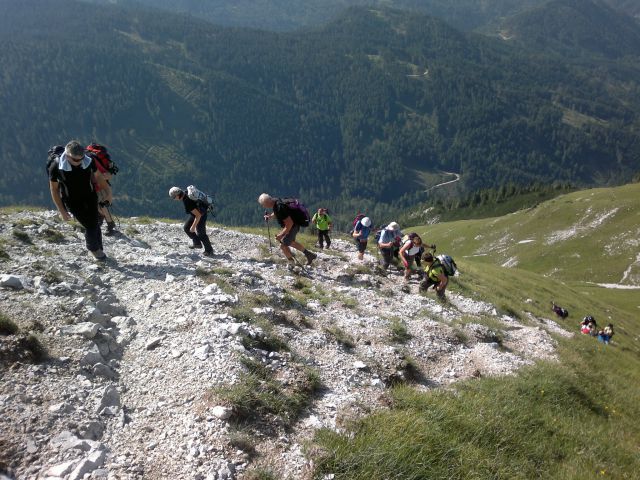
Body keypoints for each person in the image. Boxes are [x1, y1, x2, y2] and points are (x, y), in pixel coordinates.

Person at [49, 140, 112, 260]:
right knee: (90, 225)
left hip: (90, 196)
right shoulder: (56, 166)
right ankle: (94, 250)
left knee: (96, 222)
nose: (79, 162)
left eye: (81, 158)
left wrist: (109, 193)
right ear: (67, 155)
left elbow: (98, 177)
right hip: (72, 201)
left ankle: (98, 248)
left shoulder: (88, 161)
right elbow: (54, 190)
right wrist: (62, 211)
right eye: (75, 160)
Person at [258, 193, 316, 270]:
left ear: (268, 202)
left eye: (263, 204)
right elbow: (277, 213)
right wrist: (270, 216)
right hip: (294, 224)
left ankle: (292, 264)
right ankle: (309, 255)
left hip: (293, 226)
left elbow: (289, 223)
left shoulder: (279, 207)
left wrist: (281, 235)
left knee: (283, 245)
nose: (263, 206)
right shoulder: (276, 202)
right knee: (290, 242)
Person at [169, 186, 213, 257]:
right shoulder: (185, 193)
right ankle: (197, 243)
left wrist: (193, 227)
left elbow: (198, 216)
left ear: (177, 195)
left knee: (201, 234)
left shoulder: (187, 201)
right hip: (196, 213)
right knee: (186, 228)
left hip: (201, 214)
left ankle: (209, 250)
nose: (174, 199)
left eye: (173, 197)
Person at [92, 152, 117, 236]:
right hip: (94, 186)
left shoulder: (90, 161)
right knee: (98, 205)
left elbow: (104, 175)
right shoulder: (86, 160)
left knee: (102, 205)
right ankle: (101, 218)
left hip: (99, 186)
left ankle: (110, 224)